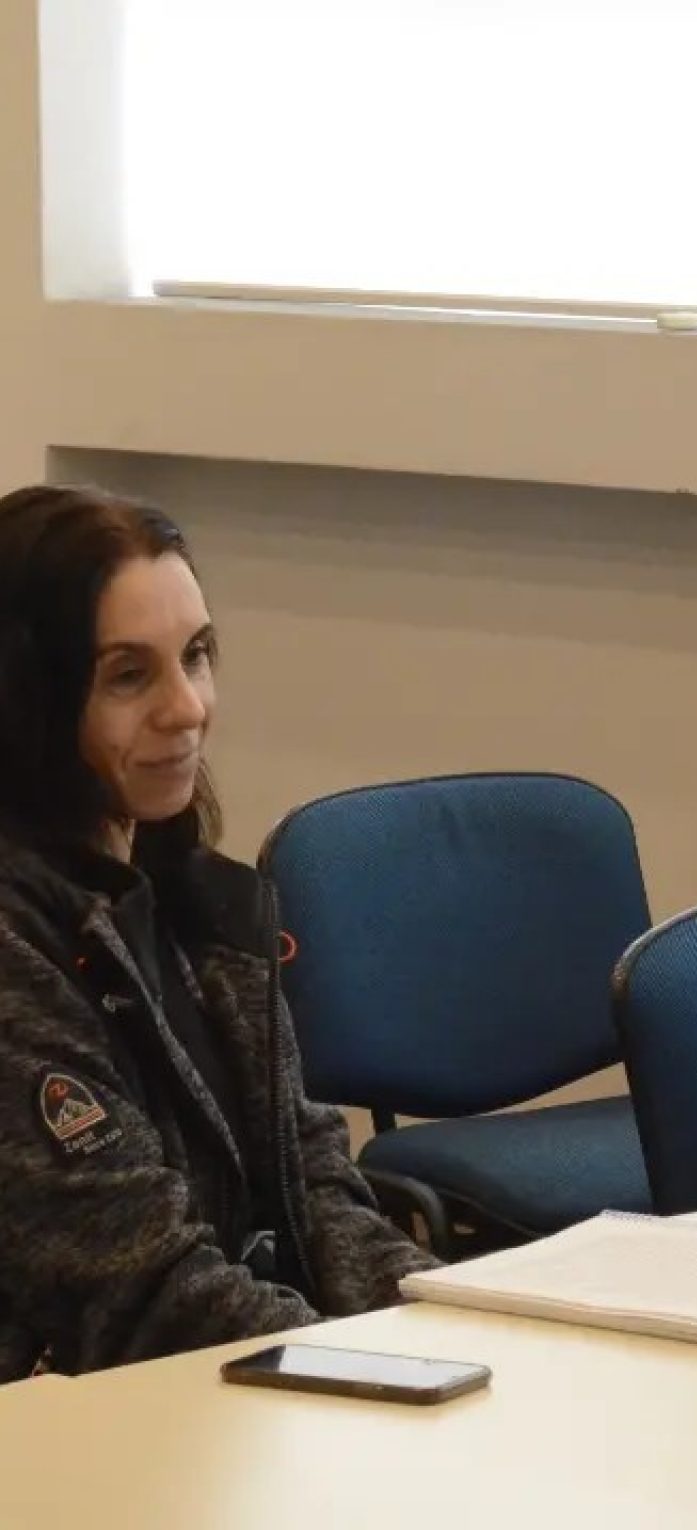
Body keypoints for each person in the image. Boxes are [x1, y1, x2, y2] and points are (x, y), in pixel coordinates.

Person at [0, 485, 436, 1378]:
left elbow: (316, 1188)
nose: (187, 707)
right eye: (129, 676)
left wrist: (459, 1333)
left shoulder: (194, 898)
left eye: (195, 656)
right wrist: (386, 1374)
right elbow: (144, 1294)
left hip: (239, 1384)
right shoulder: (16, 945)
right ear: (27, 699)